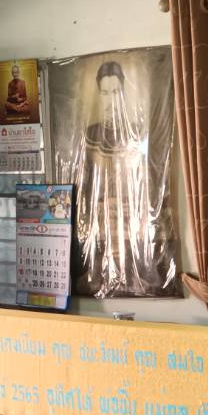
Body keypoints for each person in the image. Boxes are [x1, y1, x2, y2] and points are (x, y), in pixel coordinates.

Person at [75, 60, 176, 297]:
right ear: (99, 95)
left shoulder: (138, 133)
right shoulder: (89, 136)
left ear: (123, 93)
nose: (111, 100)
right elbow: (83, 188)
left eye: (116, 92)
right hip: (101, 223)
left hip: (132, 221)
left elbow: (151, 184)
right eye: (105, 93)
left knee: (140, 276)